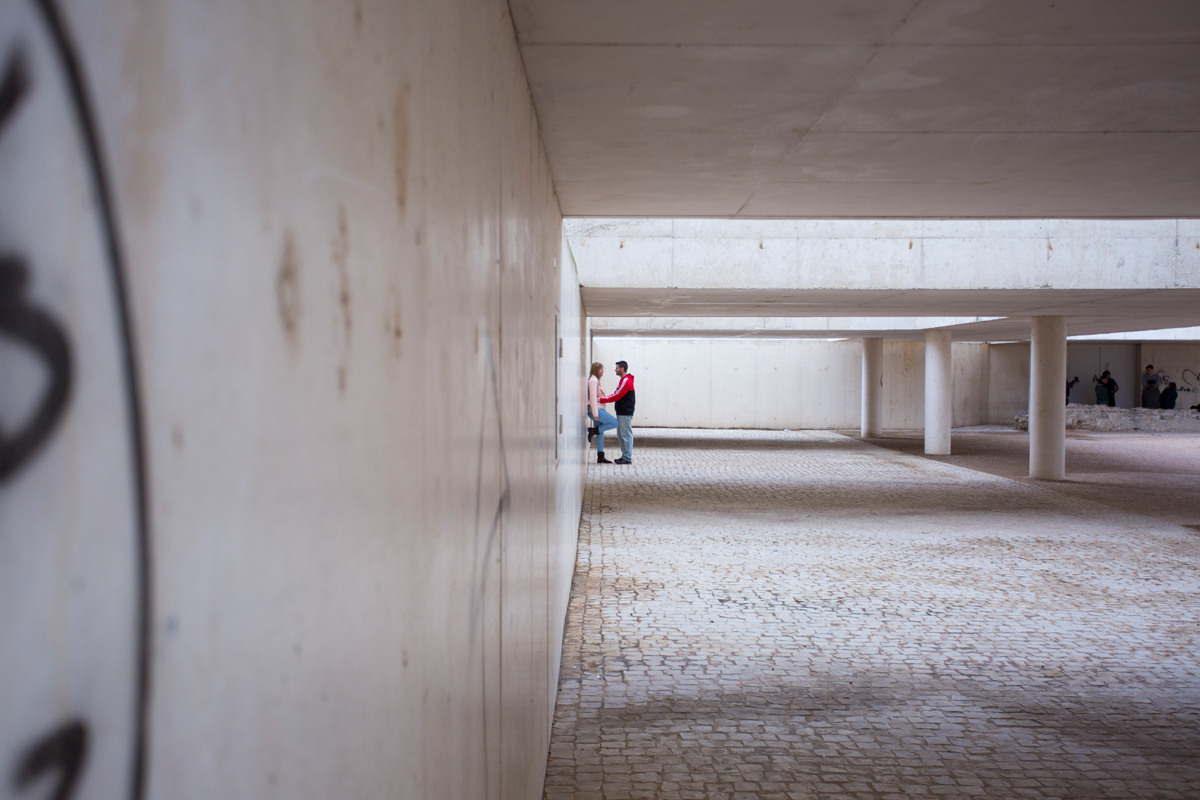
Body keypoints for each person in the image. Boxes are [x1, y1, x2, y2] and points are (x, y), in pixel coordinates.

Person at [599, 360, 635, 465]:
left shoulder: (626, 381)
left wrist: (601, 400)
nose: (615, 369)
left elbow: (617, 396)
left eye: (617, 368)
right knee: (621, 434)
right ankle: (625, 456)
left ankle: (627, 457)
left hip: (625, 412)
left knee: (626, 435)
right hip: (622, 412)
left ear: (622, 369)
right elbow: (616, 394)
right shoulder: (624, 380)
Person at [586, 362, 617, 464]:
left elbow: (597, 397)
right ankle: (593, 431)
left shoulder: (596, 380)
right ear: (596, 370)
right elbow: (593, 398)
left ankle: (600, 456)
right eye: (601, 369)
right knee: (616, 423)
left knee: (600, 433)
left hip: (599, 409)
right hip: (597, 411)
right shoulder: (593, 380)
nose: (603, 371)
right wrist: (595, 414)